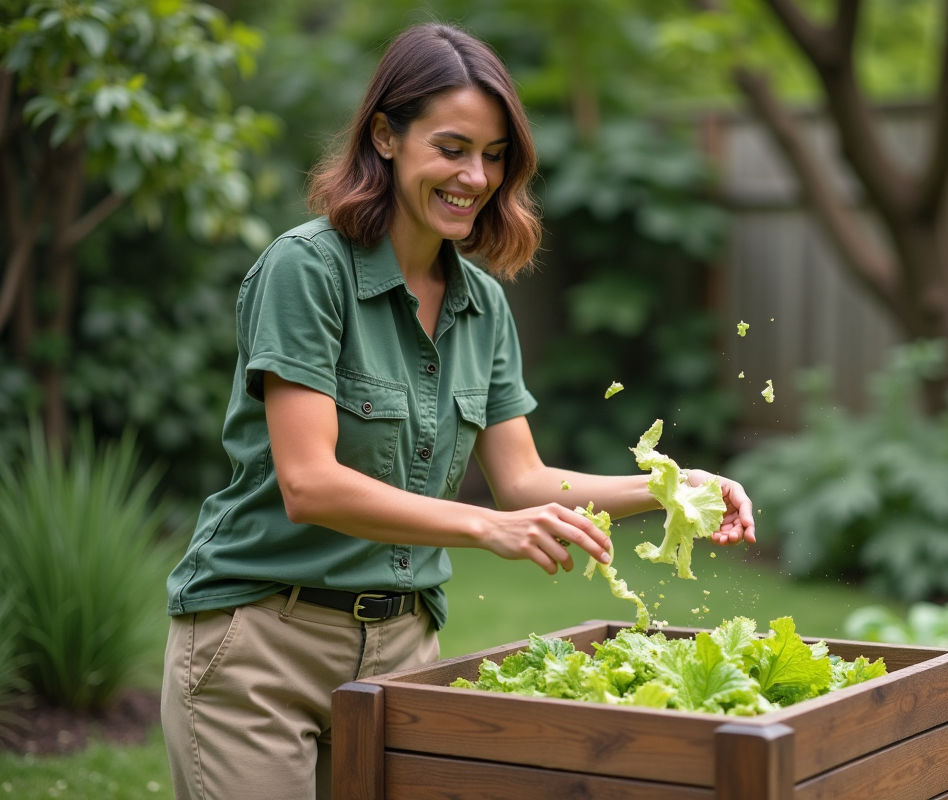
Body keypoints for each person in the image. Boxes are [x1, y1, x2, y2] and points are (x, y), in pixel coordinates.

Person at [160, 22, 754, 800]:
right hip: (264, 645)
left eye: (495, 154)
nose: (475, 175)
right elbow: (308, 484)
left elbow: (523, 480)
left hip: (404, 649)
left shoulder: (483, 308)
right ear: (385, 136)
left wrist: (676, 490)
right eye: (451, 147)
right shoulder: (306, 271)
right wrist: (483, 528)